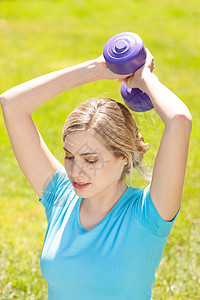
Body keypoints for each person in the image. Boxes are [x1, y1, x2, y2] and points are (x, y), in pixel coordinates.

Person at [0, 47, 192, 300]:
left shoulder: (149, 214)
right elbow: (11, 104)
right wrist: (97, 69)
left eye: (91, 160)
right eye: (69, 157)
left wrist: (145, 78)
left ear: (123, 157)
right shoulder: (61, 197)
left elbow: (179, 120)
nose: (75, 171)